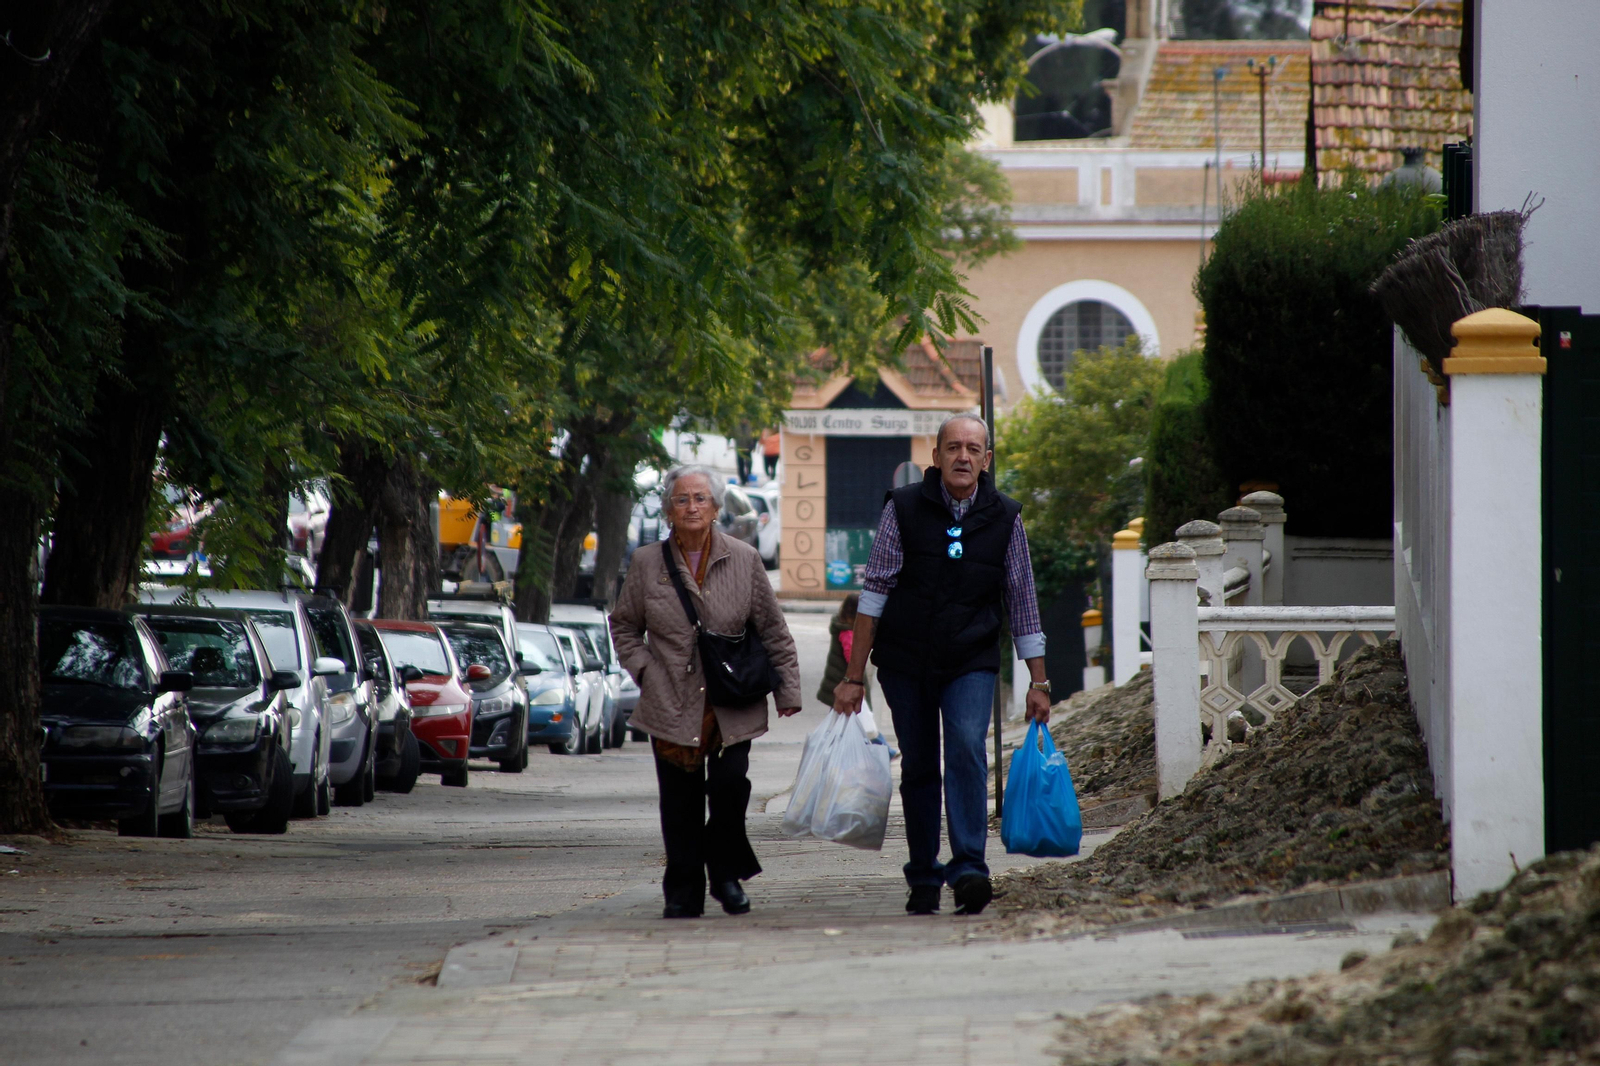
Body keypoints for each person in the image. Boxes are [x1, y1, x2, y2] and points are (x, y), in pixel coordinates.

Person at [832, 414, 1051, 917]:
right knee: (920, 765)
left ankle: (970, 868)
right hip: (905, 659)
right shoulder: (903, 507)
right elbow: (874, 593)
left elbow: (1022, 600)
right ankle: (924, 876)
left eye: (973, 449)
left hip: (970, 658)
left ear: (986, 460)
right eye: (953, 447)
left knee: (967, 749)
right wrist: (852, 676)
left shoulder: (1006, 516)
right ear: (936, 456)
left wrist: (1039, 680)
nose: (963, 457)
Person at [612, 464, 802, 919]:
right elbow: (624, 627)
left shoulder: (744, 558)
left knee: (730, 788)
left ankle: (724, 873)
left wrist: (788, 690)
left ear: (717, 508)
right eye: (681, 499)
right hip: (671, 701)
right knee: (680, 802)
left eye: (701, 499)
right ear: (668, 510)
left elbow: (773, 629)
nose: (692, 507)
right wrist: (646, 671)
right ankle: (682, 891)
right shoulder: (647, 562)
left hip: (731, 699)